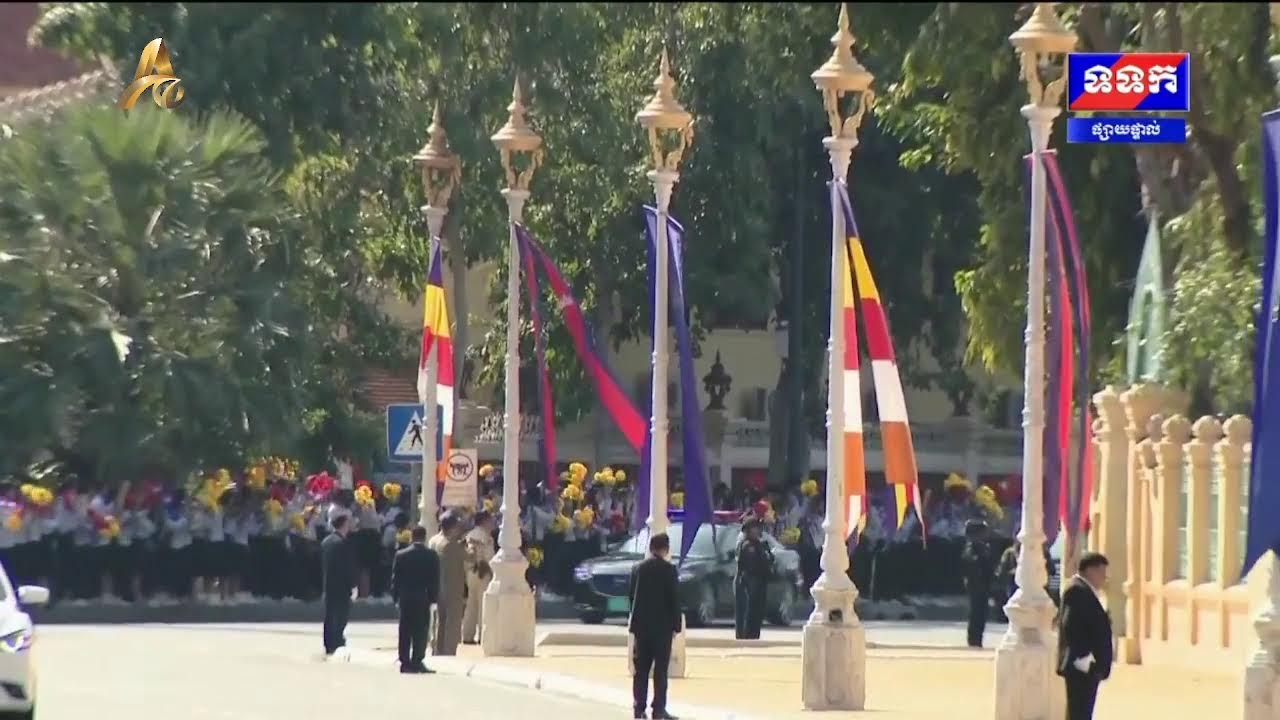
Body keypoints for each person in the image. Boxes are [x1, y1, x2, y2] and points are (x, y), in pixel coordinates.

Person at [628, 532, 681, 720]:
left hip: (641, 627)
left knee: (641, 671)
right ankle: (658, 709)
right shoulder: (669, 570)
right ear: (666, 549)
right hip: (662, 628)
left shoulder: (638, 569)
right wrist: (676, 626)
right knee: (660, 671)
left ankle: (639, 709)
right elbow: (674, 599)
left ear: (650, 548)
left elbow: (631, 597)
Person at [1057, 551, 1113, 720]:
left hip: (1087, 668)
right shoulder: (1076, 590)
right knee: (1079, 713)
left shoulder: (1088, 591)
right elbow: (1070, 626)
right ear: (1090, 571)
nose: (1104, 578)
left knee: (1083, 713)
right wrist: (1085, 659)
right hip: (1081, 667)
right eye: (1102, 572)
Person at [391, 526, 439, 674]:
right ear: (424, 537)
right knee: (421, 630)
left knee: (405, 630)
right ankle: (417, 660)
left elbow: (395, 579)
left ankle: (405, 661)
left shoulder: (401, 555)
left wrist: (395, 597)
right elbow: (434, 579)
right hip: (422, 596)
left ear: (412, 537)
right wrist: (433, 598)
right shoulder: (431, 555)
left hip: (406, 597)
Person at [428, 510, 466, 656]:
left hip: (438, 585)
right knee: (452, 621)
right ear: (453, 527)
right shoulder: (451, 544)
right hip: (453, 586)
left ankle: (437, 648)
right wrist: (471, 546)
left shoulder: (433, 541)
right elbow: (470, 557)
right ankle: (449, 650)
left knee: (439, 620)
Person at [320, 514, 357, 657]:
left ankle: (329, 642)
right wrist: (353, 584)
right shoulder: (343, 543)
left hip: (328, 582)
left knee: (329, 614)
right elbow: (347, 567)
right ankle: (337, 640)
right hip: (342, 584)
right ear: (344, 524)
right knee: (341, 614)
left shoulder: (326, 542)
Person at [734, 518, 773, 640]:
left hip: (759, 582)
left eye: (758, 528)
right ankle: (746, 637)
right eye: (754, 528)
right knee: (747, 612)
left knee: (757, 612)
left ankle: (753, 636)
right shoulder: (747, 545)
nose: (757, 531)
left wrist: (768, 553)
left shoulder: (759, 545)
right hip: (748, 582)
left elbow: (769, 561)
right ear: (748, 530)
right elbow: (752, 565)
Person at [462, 510, 496, 645]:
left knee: (471, 605)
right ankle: (483, 635)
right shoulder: (485, 537)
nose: (492, 523)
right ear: (484, 521)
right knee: (483, 605)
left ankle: (467, 635)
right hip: (483, 572)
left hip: (471, 572)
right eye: (490, 520)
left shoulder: (468, 535)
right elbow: (488, 557)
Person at [960, 519, 994, 648]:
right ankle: (974, 640)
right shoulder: (971, 548)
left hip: (984, 584)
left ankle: (978, 638)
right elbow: (970, 564)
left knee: (982, 613)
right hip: (975, 585)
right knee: (976, 613)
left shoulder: (983, 547)